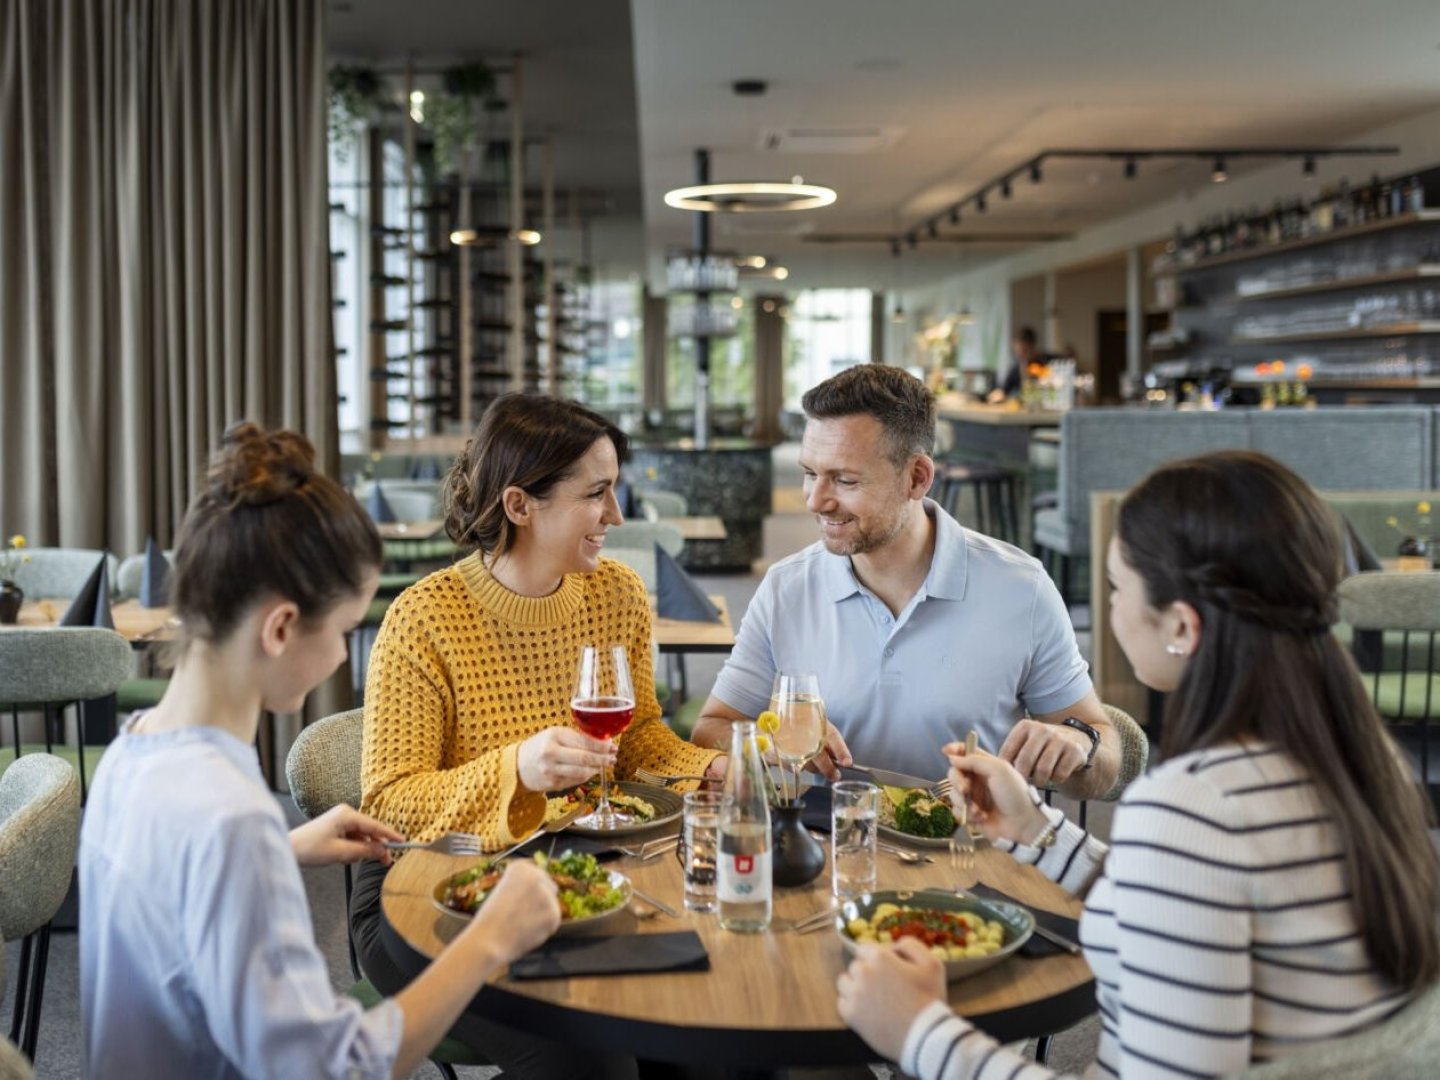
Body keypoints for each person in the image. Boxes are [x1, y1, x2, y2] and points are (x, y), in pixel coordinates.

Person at [837, 450, 1440, 1078]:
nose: (1113, 610)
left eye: (1118, 588)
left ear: (1181, 624)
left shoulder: (1193, 808)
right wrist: (1037, 833)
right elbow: (1189, 900)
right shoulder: (1358, 762)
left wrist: (923, 1034)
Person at [80, 423, 562, 1079]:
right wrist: (490, 939)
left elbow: (171, 900)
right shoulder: (233, 820)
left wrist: (285, 848)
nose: (342, 656)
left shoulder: (131, 752)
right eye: (340, 631)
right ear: (280, 627)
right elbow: (334, 1069)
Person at [353, 393, 722, 1079]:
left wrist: (706, 770)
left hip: (576, 872)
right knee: (594, 1059)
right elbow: (389, 805)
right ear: (520, 506)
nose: (616, 515)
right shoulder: (424, 619)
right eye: (597, 494)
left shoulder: (616, 593)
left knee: (700, 1028)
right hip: (428, 893)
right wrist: (516, 769)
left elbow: (638, 737)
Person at [693, 364, 1118, 799]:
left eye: (845, 479)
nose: (815, 500)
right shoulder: (786, 588)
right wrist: (770, 741)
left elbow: (1104, 764)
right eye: (809, 473)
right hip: (829, 851)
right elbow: (710, 728)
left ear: (917, 477)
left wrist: (1081, 746)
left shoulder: (1021, 588)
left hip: (968, 855)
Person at [990, 325, 1049, 401]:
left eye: (1023, 349)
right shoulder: (1016, 368)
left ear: (1031, 346)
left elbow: (1043, 388)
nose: (1018, 352)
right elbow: (1005, 390)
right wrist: (999, 393)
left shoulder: (1043, 364)